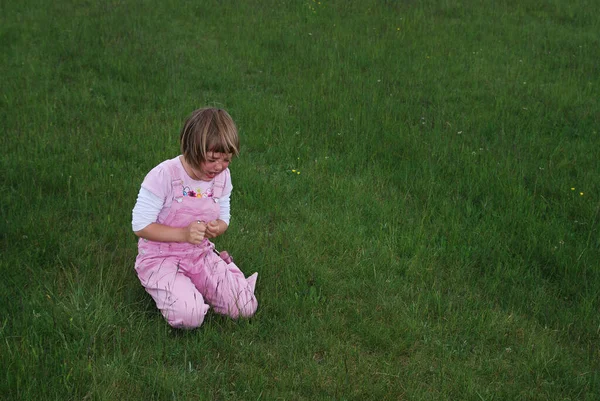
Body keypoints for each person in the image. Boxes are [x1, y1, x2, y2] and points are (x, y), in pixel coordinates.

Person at [131, 107, 258, 329]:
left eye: (226, 160)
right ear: (191, 148)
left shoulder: (221, 178)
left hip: (198, 254)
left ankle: (218, 273)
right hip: (160, 258)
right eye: (212, 159)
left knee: (244, 306)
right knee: (190, 316)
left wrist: (217, 228)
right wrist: (183, 234)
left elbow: (224, 217)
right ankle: (164, 285)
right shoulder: (164, 176)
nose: (219, 167)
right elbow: (140, 226)